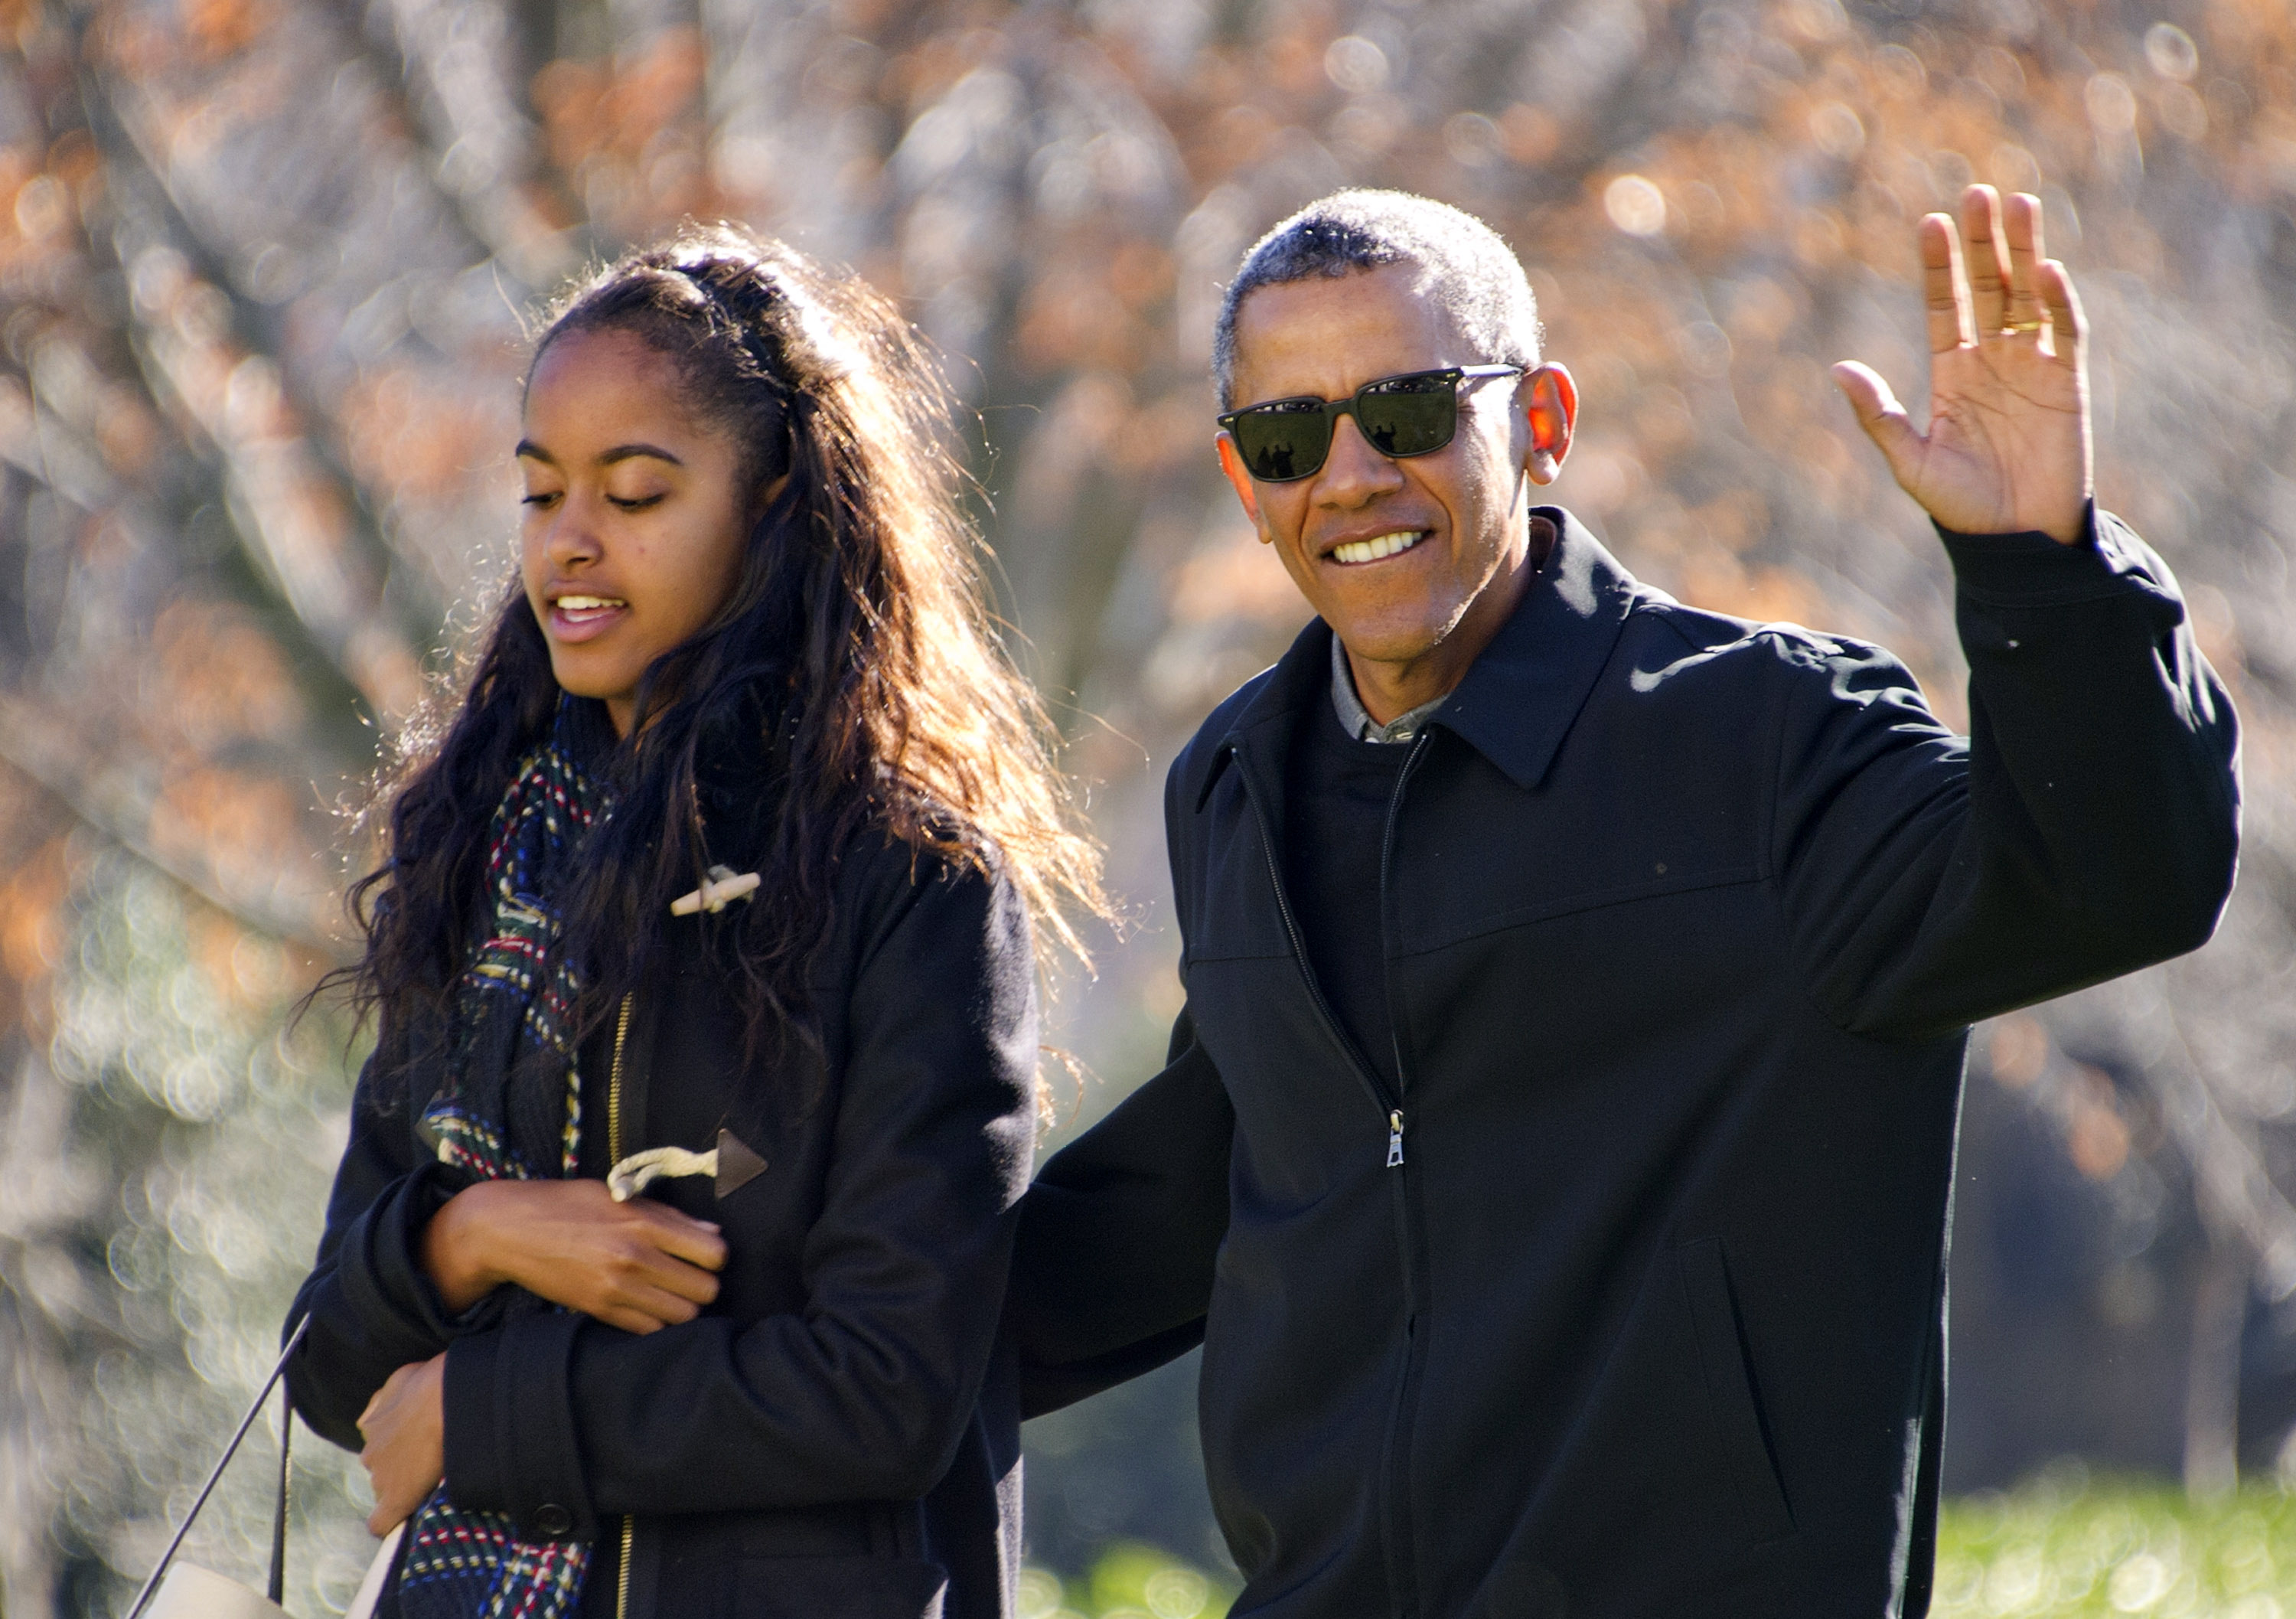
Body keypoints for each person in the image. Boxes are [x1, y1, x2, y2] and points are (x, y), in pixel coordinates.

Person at [1007, 187, 2241, 1617]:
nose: (1349, 477)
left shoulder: (1765, 742)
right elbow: (1195, 1188)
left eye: (1407, 411)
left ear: (1541, 421)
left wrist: (2047, 574)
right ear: (1244, 480)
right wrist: (833, 1324)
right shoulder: (1237, 782)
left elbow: (2115, 882)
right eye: (1290, 438)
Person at [284, 225, 1101, 1619]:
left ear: (777, 507)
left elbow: (887, 1389)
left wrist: (489, 1412)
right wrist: (468, 1236)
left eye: (635, 493)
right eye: (541, 493)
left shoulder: (909, 882)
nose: (571, 541)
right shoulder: (480, 858)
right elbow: (325, 1369)